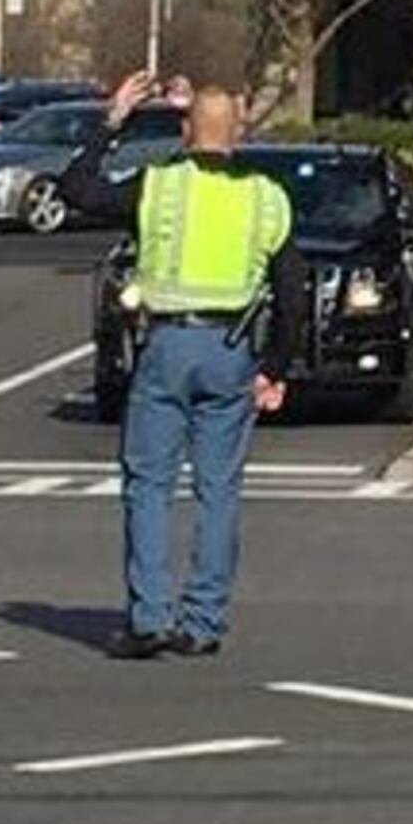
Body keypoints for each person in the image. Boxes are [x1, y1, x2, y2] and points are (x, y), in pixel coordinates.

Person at [110, 85, 305, 661]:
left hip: (169, 343)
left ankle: (149, 617)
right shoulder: (267, 199)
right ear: (238, 131)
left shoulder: (159, 186)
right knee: (218, 490)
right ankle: (203, 622)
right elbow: (293, 289)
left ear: (187, 131)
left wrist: (114, 120)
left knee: (148, 483)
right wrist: (276, 368)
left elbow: (80, 189)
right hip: (231, 347)